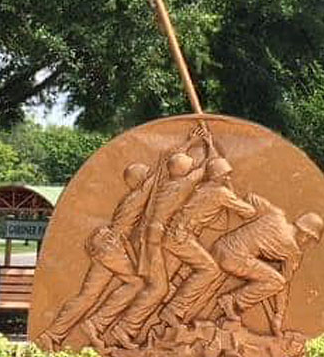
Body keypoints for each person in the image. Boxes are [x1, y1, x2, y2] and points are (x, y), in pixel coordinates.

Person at [105, 129, 210, 348]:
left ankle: (130, 327)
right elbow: (205, 170)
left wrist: (189, 143)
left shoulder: (164, 183)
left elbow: (165, 163)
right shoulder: (180, 186)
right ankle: (123, 329)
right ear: (184, 171)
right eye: (189, 166)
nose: (191, 167)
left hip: (156, 238)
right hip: (154, 240)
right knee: (159, 288)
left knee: (162, 286)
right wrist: (209, 146)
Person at [36, 162, 153, 350]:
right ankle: (96, 323)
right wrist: (189, 145)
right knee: (136, 283)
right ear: (139, 180)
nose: (150, 175)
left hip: (106, 246)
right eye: (147, 173)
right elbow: (157, 179)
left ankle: (52, 334)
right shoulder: (137, 196)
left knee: (88, 296)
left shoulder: (133, 197)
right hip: (112, 247)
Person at [159, 151, 256, 327]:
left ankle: (149, 325)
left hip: (174, 234)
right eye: (227, 174)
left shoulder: (202, 187)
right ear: (220, 175)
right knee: (210, 270)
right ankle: (173, 310)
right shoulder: (221, 193)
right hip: (183, 237)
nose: (228, 177)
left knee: (161, 283)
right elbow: (249, 212)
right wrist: (230, 187)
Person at [211, 195, 324, 333]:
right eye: (311, 241)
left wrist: (249, 218)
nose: (308, 245)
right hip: (233, 259)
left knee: (273, 277)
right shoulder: (293, 251)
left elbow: (250, 197)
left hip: (220, 245)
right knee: (277, 281)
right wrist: (279, 315)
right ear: (306, 236)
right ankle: (232, 301)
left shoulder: (276, 214)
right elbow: (284, 284)